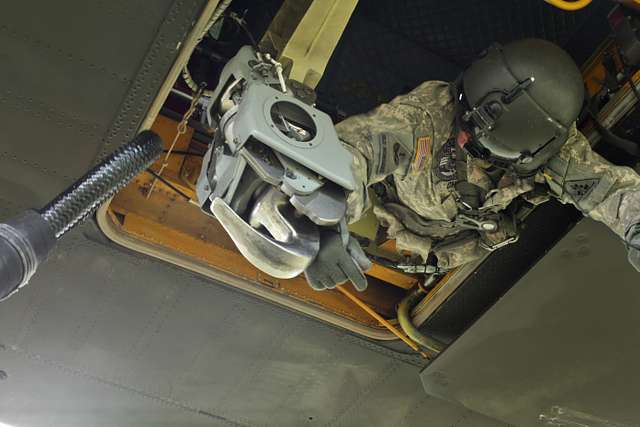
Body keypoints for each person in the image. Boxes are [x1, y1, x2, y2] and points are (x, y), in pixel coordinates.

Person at [303, 38, 640, 291]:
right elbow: (352, 151)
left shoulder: (546, 142)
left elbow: (610, 191)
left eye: (478, 147)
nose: (464, 139)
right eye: (465, 130)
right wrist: (325, 222)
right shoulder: (421, 119)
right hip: (405, 221)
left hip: (477, 241)